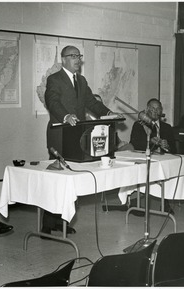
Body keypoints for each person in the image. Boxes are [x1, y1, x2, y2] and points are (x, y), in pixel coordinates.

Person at [43, 45, 123, 235]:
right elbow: (52, 101)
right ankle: (47, 224)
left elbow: (91, 102)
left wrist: (108, 113)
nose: (77, 59)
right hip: (60, 134)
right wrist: (66, 116)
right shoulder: (55, 79)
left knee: (73, 177)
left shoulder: (81, 80)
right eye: (73, 56)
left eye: (79, 56)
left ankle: (62, 221)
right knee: (57, 179)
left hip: (78, 135)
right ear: (63, 59)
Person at [130, 98, 176, 214]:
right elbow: (135, 144)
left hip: (163, 159)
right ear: (147, 110)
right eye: (152, 108)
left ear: (161, 111)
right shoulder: (138, 125)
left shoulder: (167, 127)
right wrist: (150, 141)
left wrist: (167, 146)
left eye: (158, 109)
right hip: (147, 158)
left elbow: (174, 149)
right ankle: (140, 204)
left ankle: (166, 202)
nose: (155, 111)